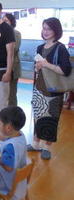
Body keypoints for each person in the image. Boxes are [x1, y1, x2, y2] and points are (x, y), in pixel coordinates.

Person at [30, 17, 72, 160]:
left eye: (49, 29)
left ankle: (46, 147)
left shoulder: (60, 48)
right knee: (38, 116)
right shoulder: (40, 48)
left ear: (56, 30)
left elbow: (65, 70)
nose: (45, 31)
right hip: (39, 87)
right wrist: (38, 67)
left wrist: (46, 64)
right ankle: (35, 144)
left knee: (51, 118)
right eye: (44, 28)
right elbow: (37, 68)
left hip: (54, 90)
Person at [0, 106, 27, 200]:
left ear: (8, 127)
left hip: (6, 182)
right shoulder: (20, 135)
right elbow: (6, 138)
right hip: (19, 180)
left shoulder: (10, 147)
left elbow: (8, 168)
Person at [3, 13, 22, 106]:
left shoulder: (16, 33)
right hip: (1, 67)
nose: (3, 22)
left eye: (6, 20)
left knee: (11, 93)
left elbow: (14, 48)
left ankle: (13, 115)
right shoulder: (1, 33)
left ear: (12, 22)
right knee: (2, 93)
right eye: (2, 20)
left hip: (13, 68)